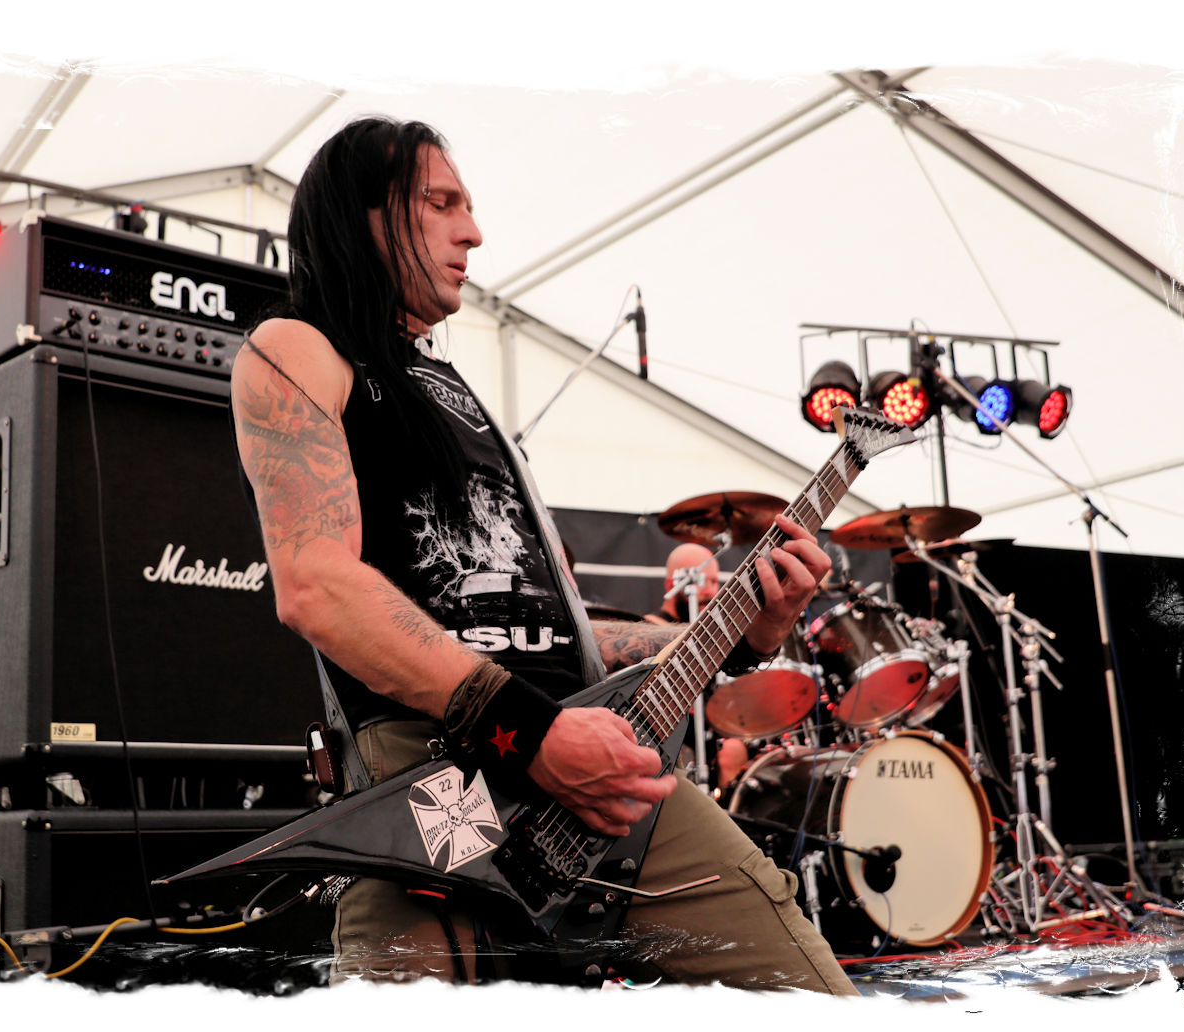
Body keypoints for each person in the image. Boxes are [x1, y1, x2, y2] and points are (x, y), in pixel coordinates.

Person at [230, 116, 856, 994]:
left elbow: (561, 637)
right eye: (440, 203)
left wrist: (740, 631)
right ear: (362, 217)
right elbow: (317, 587)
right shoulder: (298, 347)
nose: (473, 233)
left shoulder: (452, 389)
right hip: (441, 779)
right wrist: (532, 733)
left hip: (597, 764)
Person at [646, 543, 751, 794]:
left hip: (710, 752)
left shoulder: (714, 639)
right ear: (672, 585)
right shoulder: (648, 632)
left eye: (716, 582)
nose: (713, 592)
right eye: (703, 581)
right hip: (666, 758)